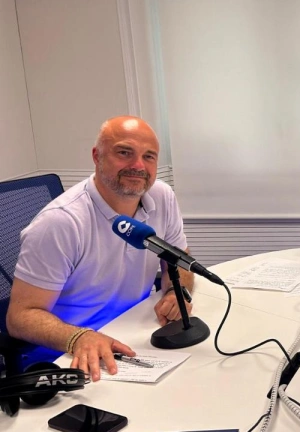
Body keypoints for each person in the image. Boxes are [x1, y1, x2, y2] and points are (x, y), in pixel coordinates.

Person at [6, 116, 194, 381]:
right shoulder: (59, 223)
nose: (138, 165)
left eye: (148, 156)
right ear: (97, 156)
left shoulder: (161, 196)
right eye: (124, 152)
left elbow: (179, 258)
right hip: (71, 353)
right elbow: (20, 318)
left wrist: (177, 291)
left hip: (136, 330)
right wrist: (78, 337)